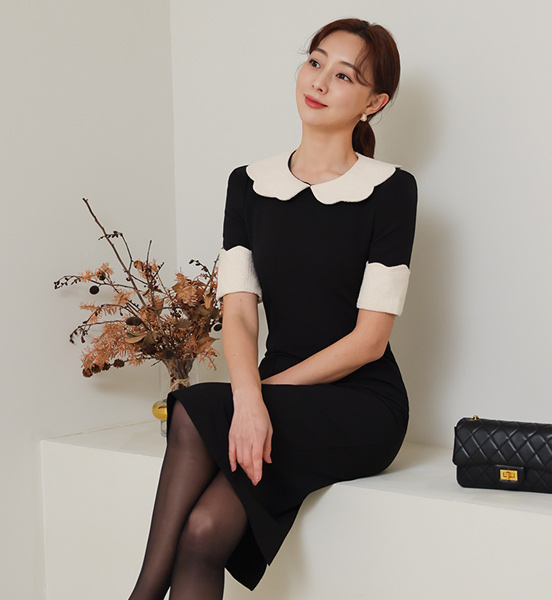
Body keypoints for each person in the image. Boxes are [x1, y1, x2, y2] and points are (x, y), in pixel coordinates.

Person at [128, 17, 417, 600]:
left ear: (374, 103)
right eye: (315, 62)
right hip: (273, 398)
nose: (320, 81)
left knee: (191, 410)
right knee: (204, 531)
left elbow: (369, 342)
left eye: (344, 76)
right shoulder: (248, 184)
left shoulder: (391, 190)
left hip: (361, 404)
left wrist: (256, 397)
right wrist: (250, 397)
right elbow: (238, 313)